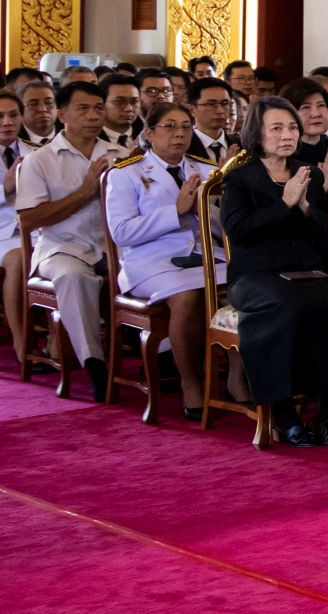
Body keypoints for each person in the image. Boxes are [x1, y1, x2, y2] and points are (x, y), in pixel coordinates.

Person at [221, 96, 328, 444]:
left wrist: (305, 209)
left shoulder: (309, 173)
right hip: (255, 274)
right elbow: (239, 232)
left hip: (306, 270)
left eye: (292, 128)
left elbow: (325, 234)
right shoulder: (240, 178)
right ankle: (284, 414)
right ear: (257, 133)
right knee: (283, 305)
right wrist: (284, 205)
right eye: (277, 128)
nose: (287, 135)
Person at [104, 101, 223, 419]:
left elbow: (227, 228)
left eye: (185, 127)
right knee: (186, 297)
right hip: (150, 261)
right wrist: (176, 211)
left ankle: (237, 377)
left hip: (204, 255)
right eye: (169, 127)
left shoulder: (207, 170)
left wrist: (203, 210)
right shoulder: (126, 173)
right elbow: (122, 232)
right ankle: (191, 382)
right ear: (149, 133)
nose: (179, 134)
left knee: (245, 287)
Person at [16, 82, 133, 401]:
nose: (93, 116)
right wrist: (84, 193)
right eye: (83, 109)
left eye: (98, 108)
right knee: (73, 276)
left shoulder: (120, 155)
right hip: (62, 248)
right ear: (63, 114)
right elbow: (29, 220)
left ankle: (163, 356)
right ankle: (94, 363)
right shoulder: (40, 160)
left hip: (115, 249)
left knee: (157, 266)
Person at [0, 92, 37, 372]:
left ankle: (58, 340)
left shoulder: (36, 152)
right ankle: (21, 341)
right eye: (0, 116)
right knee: (17, 258)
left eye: (13, 115)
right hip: (1, 233)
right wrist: (5, 189)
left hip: (34, 228)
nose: (7, 122)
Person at [279, 77, 328, 192]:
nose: (316, 114)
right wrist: (325, 184)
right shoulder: (282, 156)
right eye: (306, 107)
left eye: (321, 105)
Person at [185, 78, 242, 163]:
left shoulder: (243, 146)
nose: (220, 111)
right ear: (192, 110)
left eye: (225, 103)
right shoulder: (183, 148)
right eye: (211, 104)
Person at [98, 73, 142, 149]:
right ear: (101, 104)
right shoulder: (90, 140)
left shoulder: (149, 137)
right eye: (119, 101)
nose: (129, 109)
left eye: (134, 101)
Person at [19, 81, 58, 149]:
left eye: (49, 102)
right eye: (33, 104)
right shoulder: (13, 139)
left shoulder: (69, 134)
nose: (42, 109)